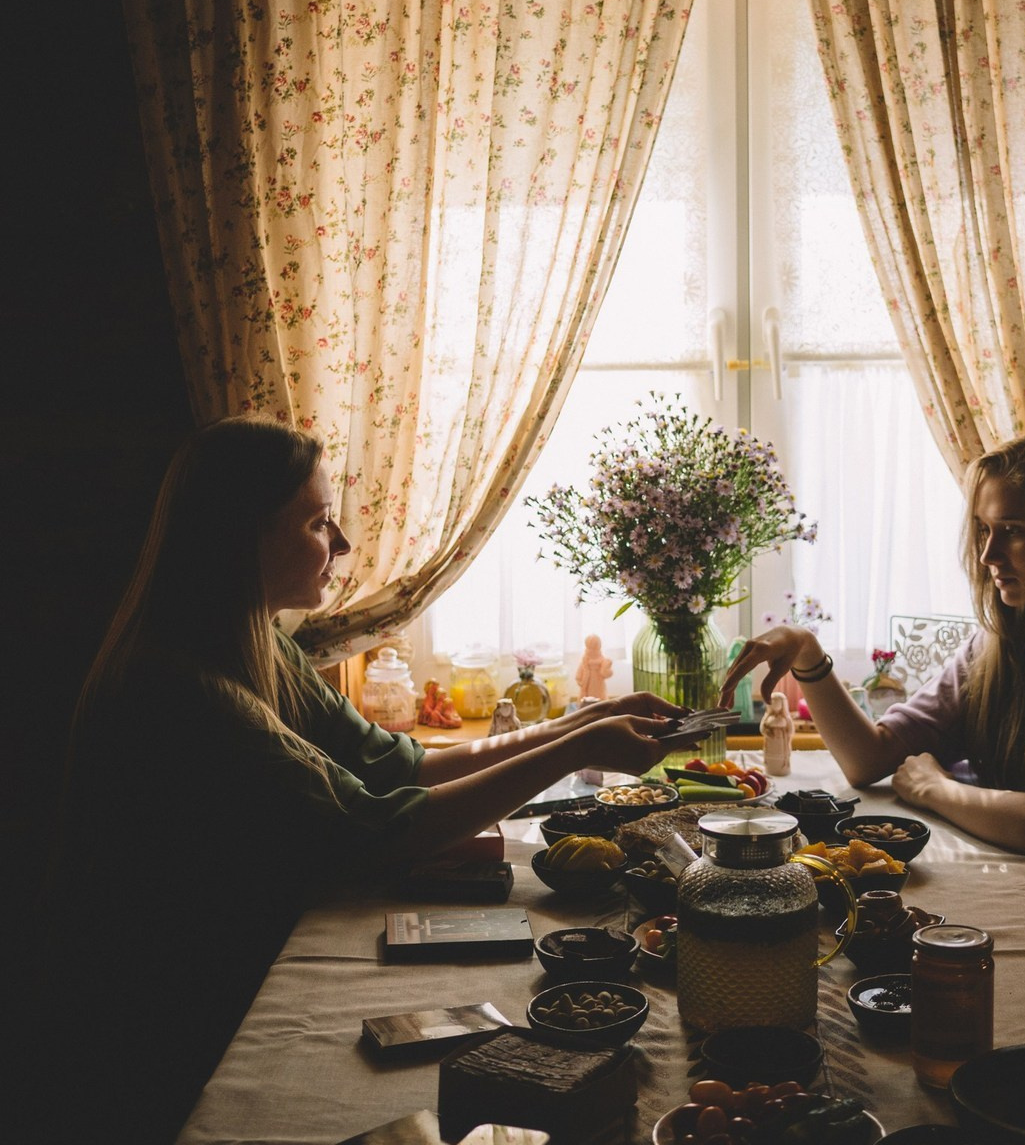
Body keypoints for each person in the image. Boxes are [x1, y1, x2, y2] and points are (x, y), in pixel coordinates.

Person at [34, 416, 690, 1144]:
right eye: (318, 523)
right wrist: (573, 751)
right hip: (154, 1015)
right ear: (239, 539)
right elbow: (379, 827)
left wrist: (578, 722)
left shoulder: (260, 643)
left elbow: (398, 764)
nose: (341, 546)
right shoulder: (184, 690)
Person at [722, 427, 1025, 967]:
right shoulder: (999, 643)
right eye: (982, 528)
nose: (987, 554)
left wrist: (935, 787)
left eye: (1014, 531)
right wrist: (808, 656)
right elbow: (867, 759)